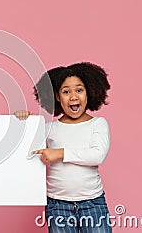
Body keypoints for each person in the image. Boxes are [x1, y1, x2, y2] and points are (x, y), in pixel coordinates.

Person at [15, 62, 112, 232]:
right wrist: (22, 121)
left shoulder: (98, 124)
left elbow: (97, 155)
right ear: (57, 97)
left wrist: (59, 153)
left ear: (88, 92)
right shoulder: (48, 128)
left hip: (93, 203)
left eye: (79, 90)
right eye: (66, 92)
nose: (73, 96)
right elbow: (24, 149)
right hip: (58, 205)